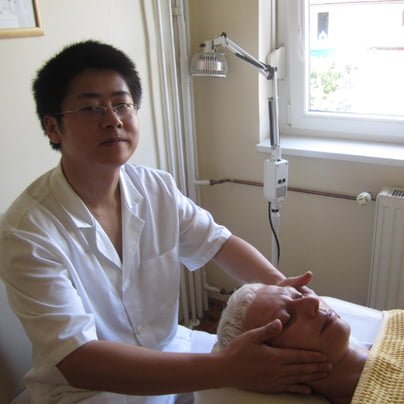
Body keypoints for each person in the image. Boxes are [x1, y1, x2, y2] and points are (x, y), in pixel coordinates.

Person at [0, 40, 331, 404]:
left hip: (170, 352)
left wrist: (283, 287)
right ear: (53, 128)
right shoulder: (26, 231)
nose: (113, 119)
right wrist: (226, 368)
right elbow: (78, 360)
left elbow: (219, 244)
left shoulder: (156, 188)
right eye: (92, 108)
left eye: (122, 104)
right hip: (89, 392)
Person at [213, 283, 404, 404]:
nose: (313, 301)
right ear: (273, 363)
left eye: (298, 295)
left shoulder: (397, 325)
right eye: (288, 319)